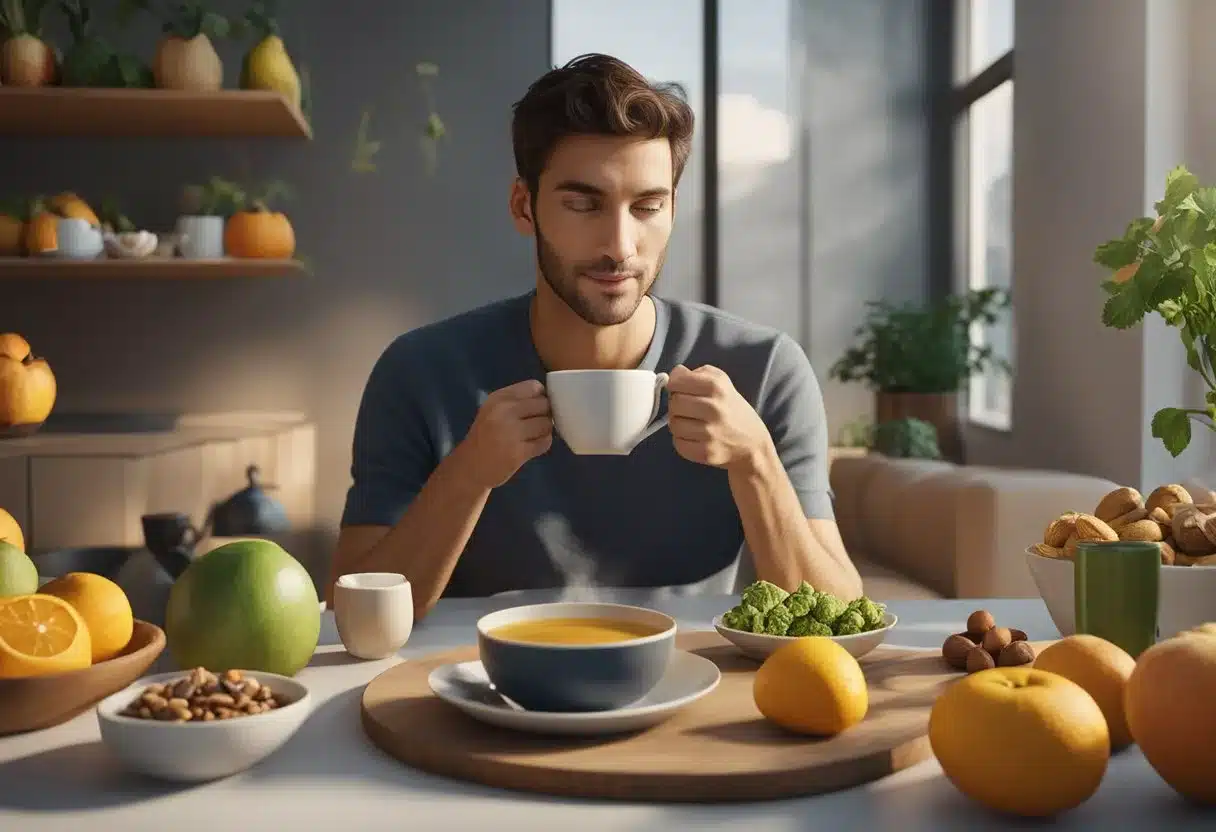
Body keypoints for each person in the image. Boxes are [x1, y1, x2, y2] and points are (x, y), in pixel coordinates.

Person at [329, 53, 862, 618]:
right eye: (584, 204)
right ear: (523, 206)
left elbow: (840, 617)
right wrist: (467, 475)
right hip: (483, 690)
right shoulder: (418, 372)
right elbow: (351, 612)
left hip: (695, 687)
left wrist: (756, 463)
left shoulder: (765, 369)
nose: (620, 245)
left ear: (673, 210)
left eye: (647, 206)